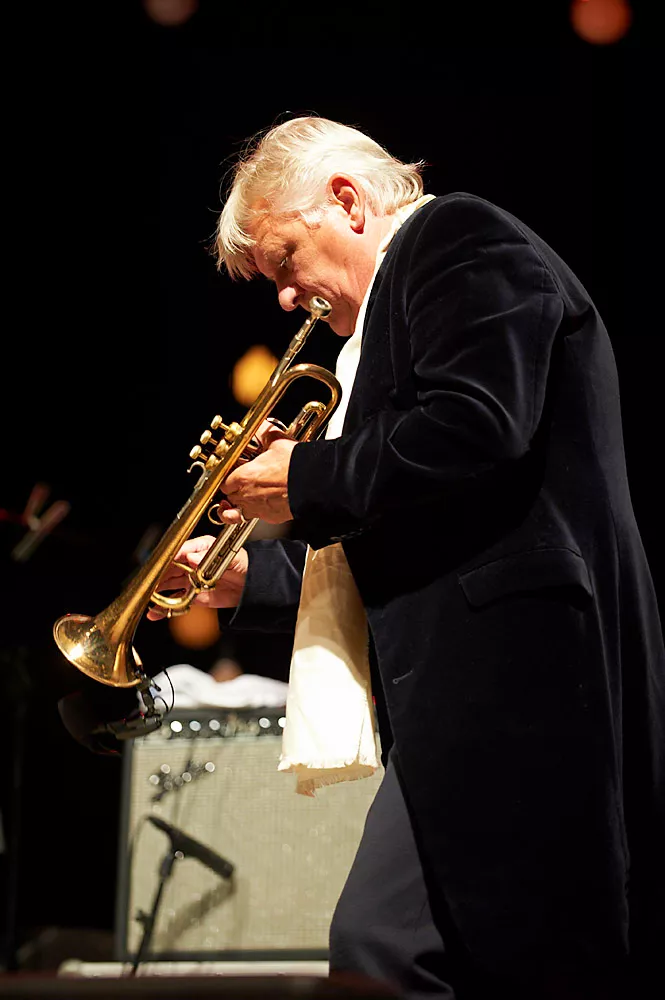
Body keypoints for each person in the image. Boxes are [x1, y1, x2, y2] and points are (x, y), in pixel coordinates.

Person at [149, 117, 665, 999]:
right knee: (431, 951)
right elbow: (407, 534)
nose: (285, 297)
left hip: (524, 680)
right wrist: (248, 577)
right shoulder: (379, 327)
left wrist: (304, 474)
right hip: (470, 691)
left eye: (284, 260)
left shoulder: (457, 238)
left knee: (420, 950)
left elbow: (476, 425)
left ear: (346, 201)